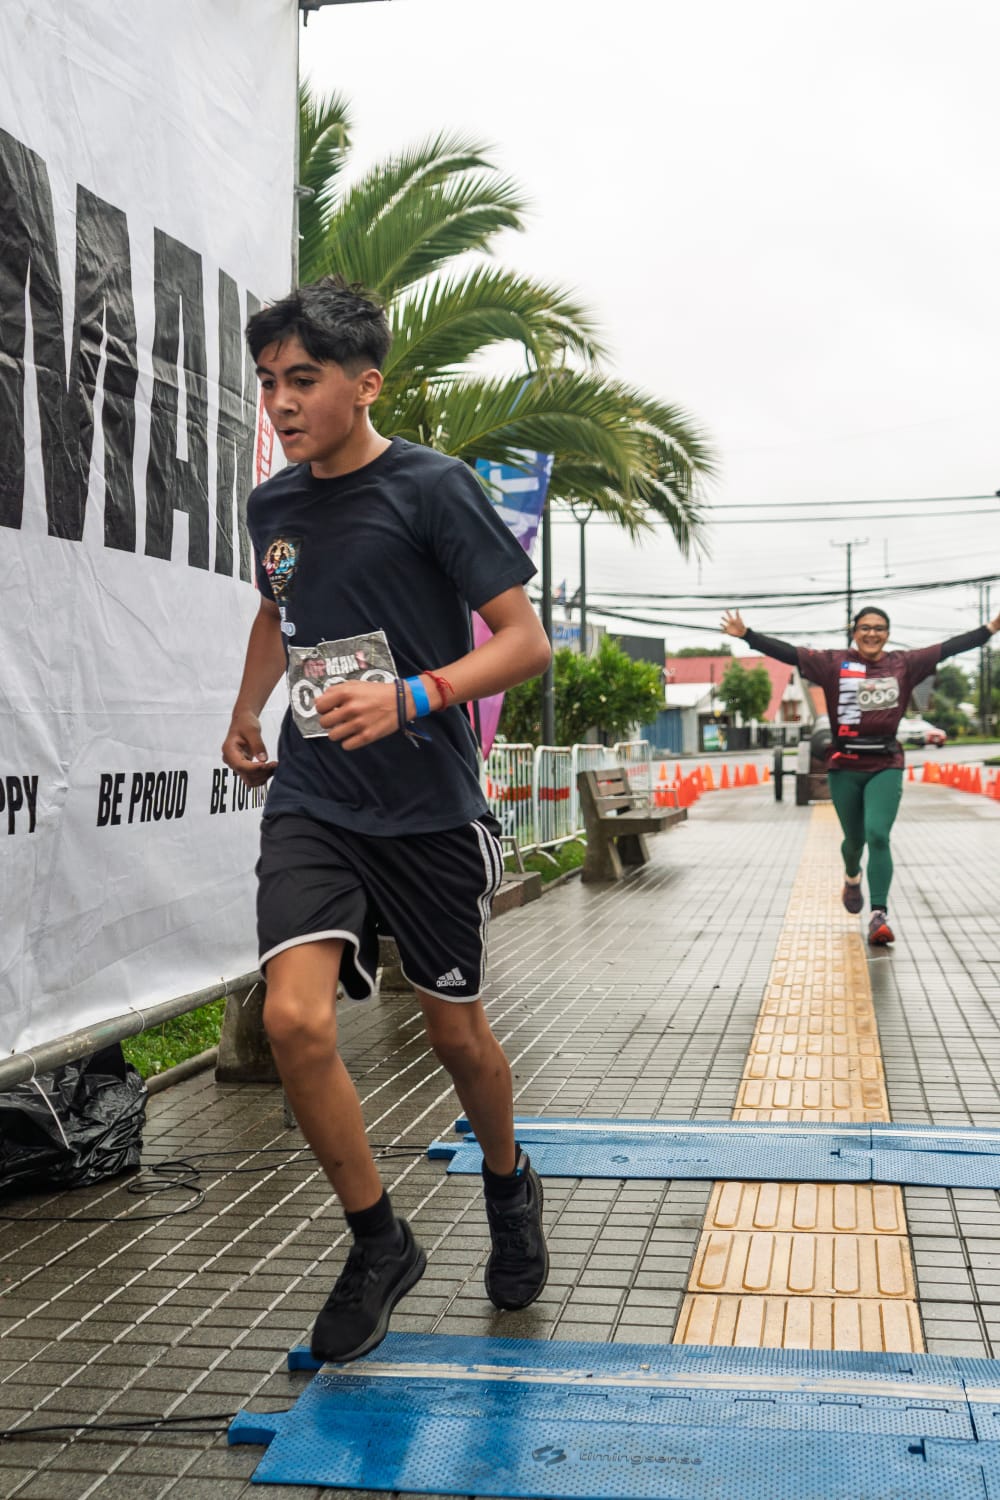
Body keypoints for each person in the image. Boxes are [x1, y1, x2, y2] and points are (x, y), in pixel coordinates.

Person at [221, 275, 552, 1363]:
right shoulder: (272, 506)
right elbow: (282, 610)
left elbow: (522, 639)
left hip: (427, 804)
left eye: (302, 380)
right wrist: (244, 711)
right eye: (269, 382)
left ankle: (508, 1182)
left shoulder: (432, 487)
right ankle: (377, 1241)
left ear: (365, 385)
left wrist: (414, 695)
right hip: (316, 795)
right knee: (295, 1022)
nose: (280, 403)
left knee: (456, 1036)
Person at [721, 604, 1000, 946]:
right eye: (865, 627)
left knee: (878, 835)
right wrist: (747, 635)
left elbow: (951, 647)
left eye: (879, 628)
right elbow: (790, 653)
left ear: (888, 633)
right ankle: (852, 878)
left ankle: (878, 915)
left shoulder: (904, 664)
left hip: (885, 762)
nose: (872, 633)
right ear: (854, 632)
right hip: (845, 764)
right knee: (854, 841)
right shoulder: (832, 662)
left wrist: (991, 628)